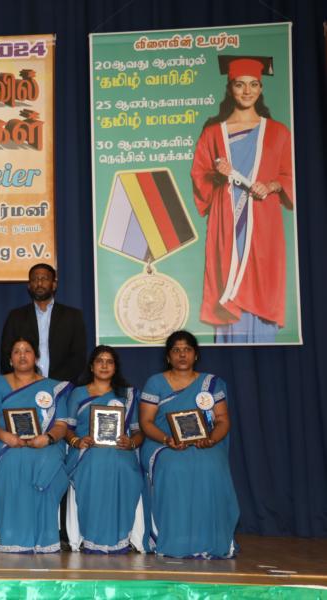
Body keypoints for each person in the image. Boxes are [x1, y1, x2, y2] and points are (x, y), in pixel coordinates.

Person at [190, 55, 294, 343]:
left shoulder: (278, 132)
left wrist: (272, 185)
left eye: (253, 84)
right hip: (228, 220)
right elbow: (199, 176)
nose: (247, 91)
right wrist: (217, 174)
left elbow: (290, 174)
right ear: (230, 88)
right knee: (227, 278)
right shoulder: (213, 133)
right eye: (239, 85)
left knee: (262, 281)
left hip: (263, 221)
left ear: (261, 88)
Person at [139, 330, 238, 558]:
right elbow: (146, 422)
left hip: (205, 442)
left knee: (211, 465)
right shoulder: (155, 382)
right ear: (168, 357)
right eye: (176, 350)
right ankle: (175, 537)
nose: (182, 355)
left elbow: (222, 420)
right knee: (174, 466)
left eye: (187, 350)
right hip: (163, 442)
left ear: (196, 355)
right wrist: (167, 439)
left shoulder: (211, 383)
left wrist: (211, 439)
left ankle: (209, 538)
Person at [0, 337, 70, 553]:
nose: (22, 355)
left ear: (36, 357)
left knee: (46, 463)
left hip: (46, 444)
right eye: (17, 351)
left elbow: (61, 425)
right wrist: (5, 436)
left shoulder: (53, 387)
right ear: (10, 360)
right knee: (13, 461)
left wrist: (47, 438)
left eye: (27, 350)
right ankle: (14, 537)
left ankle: (44, 538)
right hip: (6, 444)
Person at [64, 345, 144, 554]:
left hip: (121, 450)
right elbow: (67, 429)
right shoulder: (78, 393)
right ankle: (93, 536)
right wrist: (77, 442)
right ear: (92, 366)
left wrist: (131, 443)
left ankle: (120, 536)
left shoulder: (127, 395)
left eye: (109, 361)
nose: (104, 365)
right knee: (96, 464)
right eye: (100, 360)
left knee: (122, 467)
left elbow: (138, 431)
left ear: (115, 367)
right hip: (86, 450)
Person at [0, 263, 86, 383]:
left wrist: (54, 384)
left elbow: (78, 357)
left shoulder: (72, 316)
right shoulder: (16, 316)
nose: (39, 283)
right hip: (24, 385)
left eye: (44, 279)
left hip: (61, 386)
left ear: (54, 285)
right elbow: (6, 355)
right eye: (35, 279)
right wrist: (24, 381)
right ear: (29, 286)